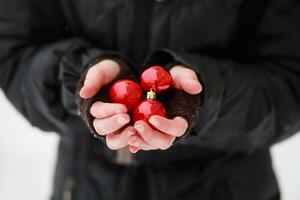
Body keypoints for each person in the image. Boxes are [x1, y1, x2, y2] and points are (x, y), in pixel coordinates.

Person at [0, 0, 299, 199]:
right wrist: (77, 80)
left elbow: (290, 81)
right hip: (85, 185)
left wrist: (207, 97)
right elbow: (14, 54)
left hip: (226, 186)